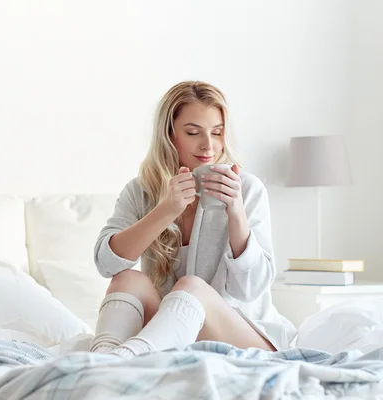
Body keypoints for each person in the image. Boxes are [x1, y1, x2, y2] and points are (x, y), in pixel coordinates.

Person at [90, 81, 296, 358]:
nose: (208, 145)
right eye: (193, 132)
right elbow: (107, 264)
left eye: (217, 132)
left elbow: (250, 290)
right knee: (128, 278)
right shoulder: (140, 192)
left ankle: (127, 356)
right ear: (169, 134)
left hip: (245, 335)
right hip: (176, 333)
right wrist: (167, 209)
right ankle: (102, 360)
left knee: (191, 287)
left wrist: (236, 211)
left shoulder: (246, 189)